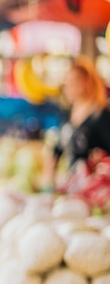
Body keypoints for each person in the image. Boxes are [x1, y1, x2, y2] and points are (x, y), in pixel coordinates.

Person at [44, 55, 110, 189]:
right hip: (72, 183)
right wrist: (49, 175)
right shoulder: (68, 113)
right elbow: (58, 147)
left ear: (87, 82)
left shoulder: (101, 115)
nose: (69, 87)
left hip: (95, 187)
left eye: (74, 82)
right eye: (67, 83)